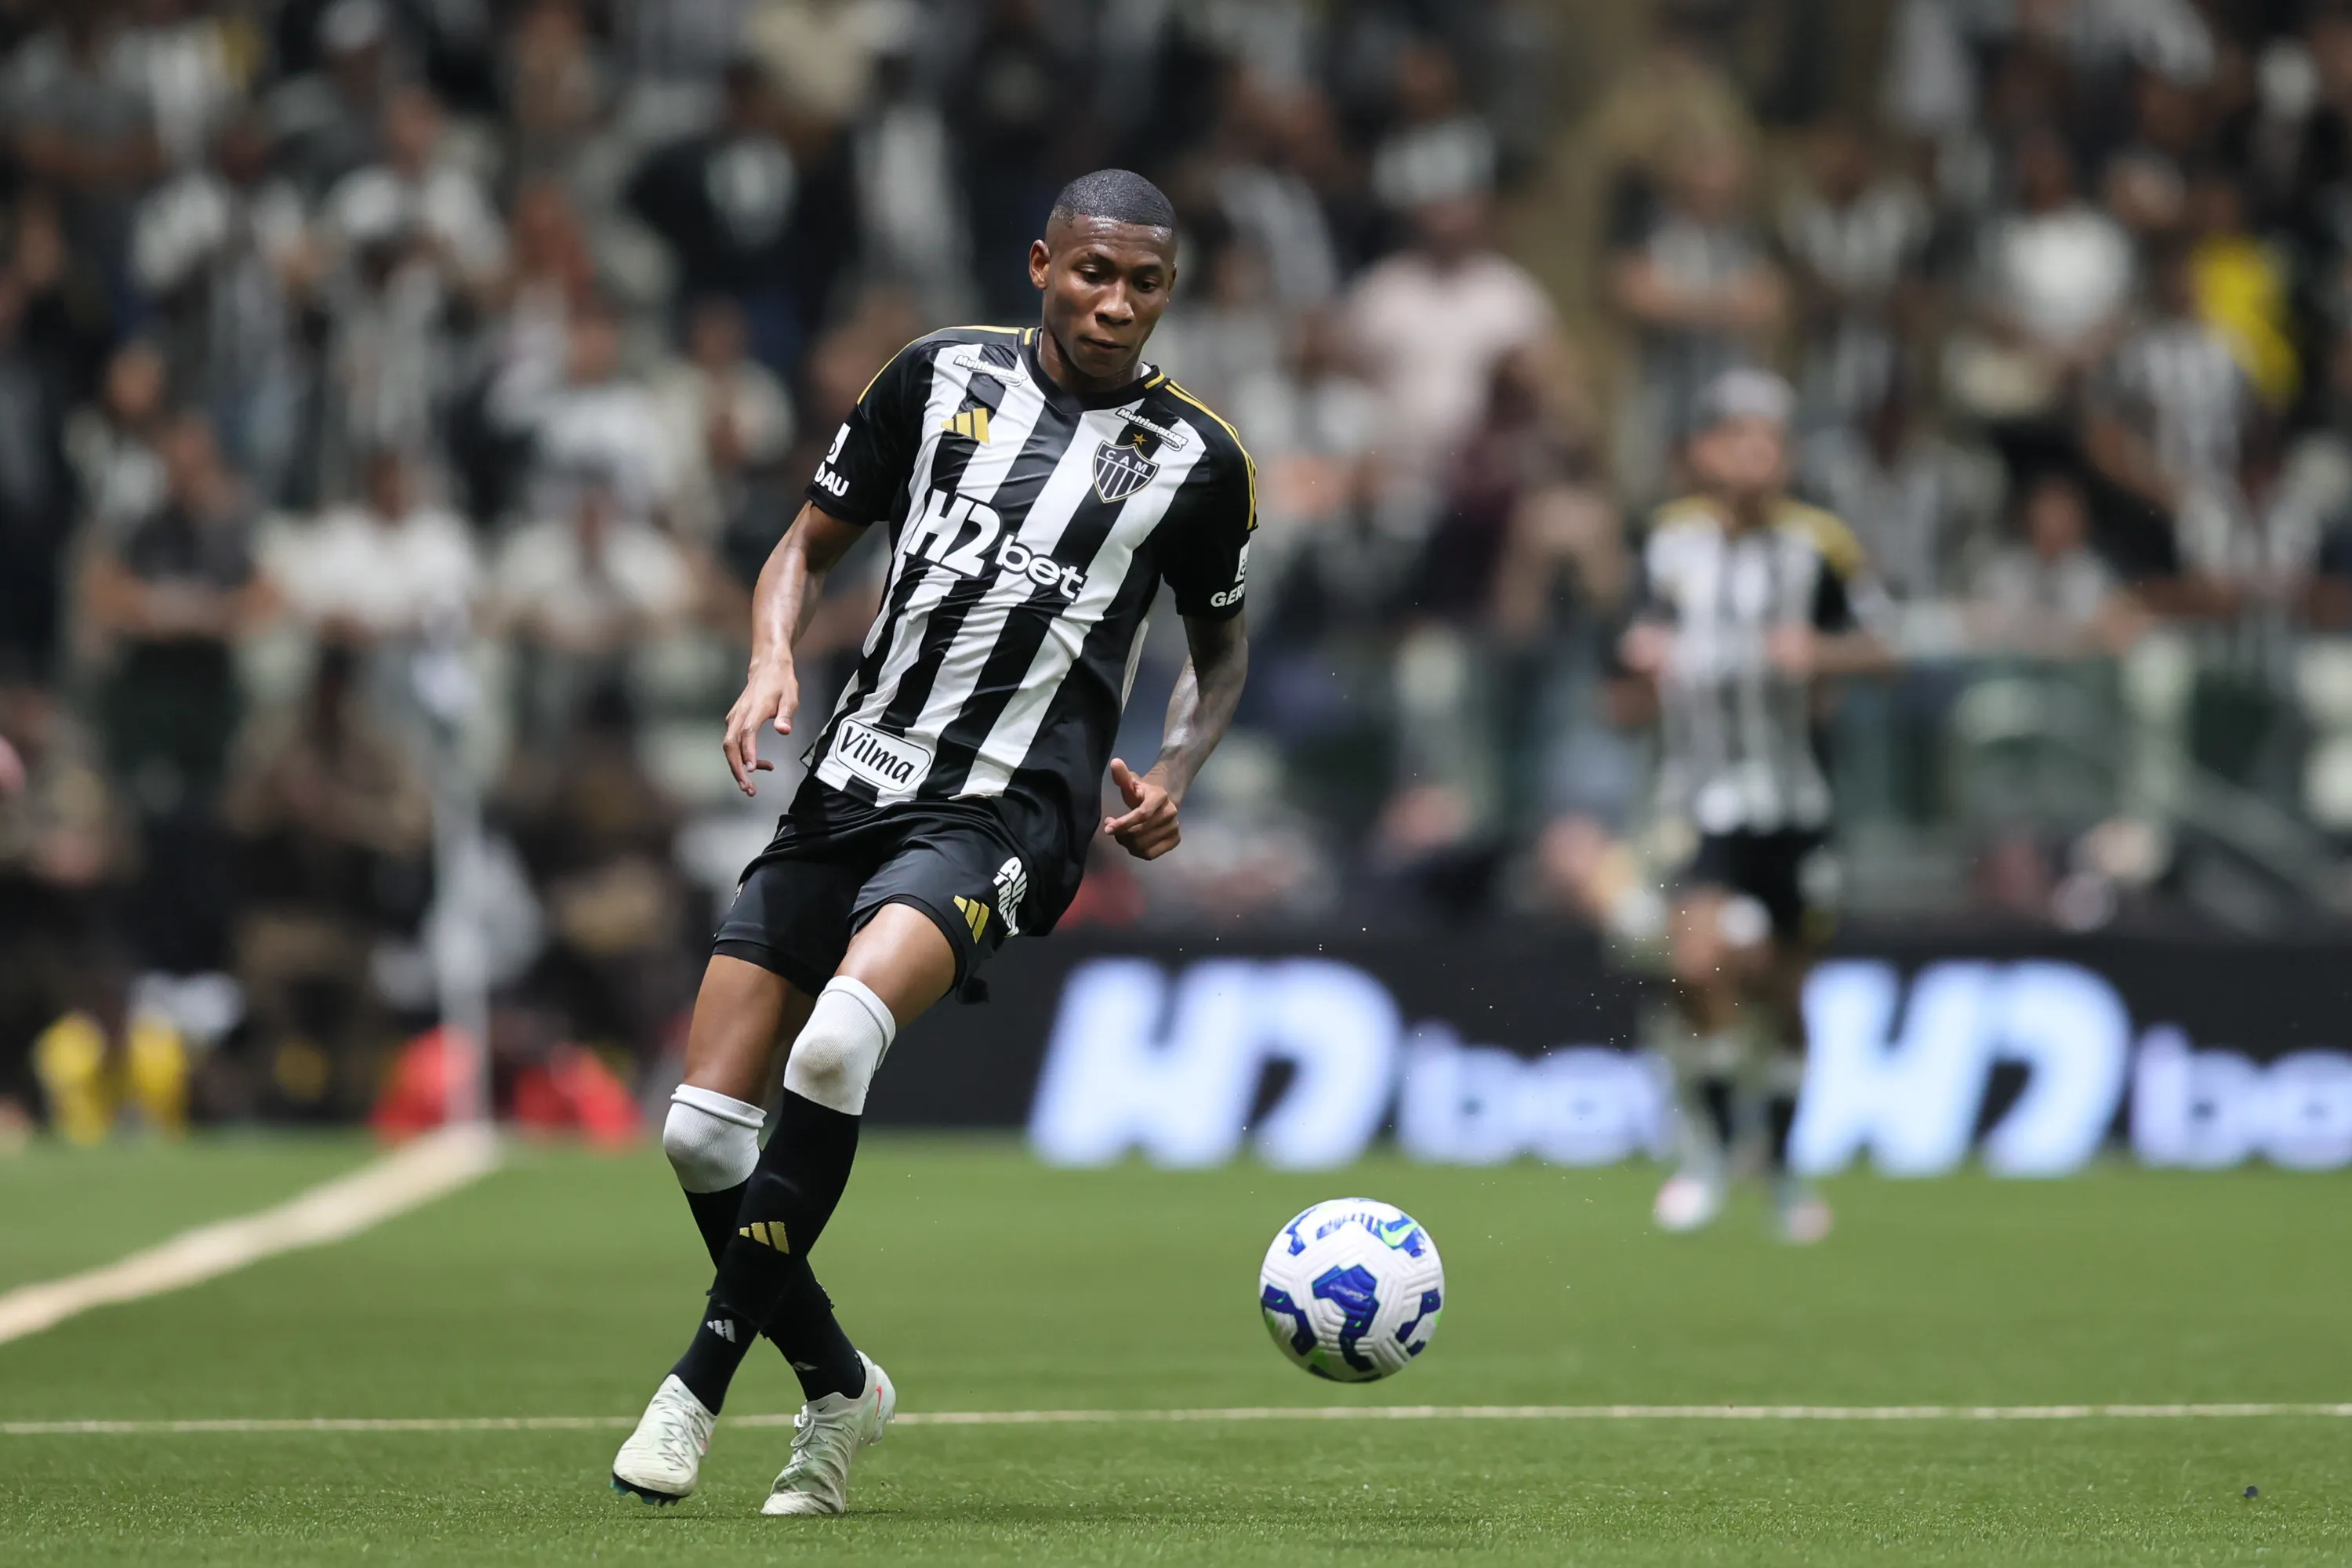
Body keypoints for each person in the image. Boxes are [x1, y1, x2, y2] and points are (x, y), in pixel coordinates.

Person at [608, 169, 1253, 1515]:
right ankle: (841, 1386)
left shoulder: (1199, 462)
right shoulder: (934, 377)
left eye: (1143, 281)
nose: (1115, 301)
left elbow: (1220, 652)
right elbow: (805, 544)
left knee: (838, 1042)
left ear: (1168, 291)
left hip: (1009, 808)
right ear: (1039, 264)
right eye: (1092, 272)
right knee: (700, 1136)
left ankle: (696, 1387)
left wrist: (1178, 766)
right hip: (854, 775)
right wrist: (769, 657)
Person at [1617, 370, 1892, 1245]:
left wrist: (1819, 653)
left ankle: (1776, 1164)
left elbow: (1886, 647)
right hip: (1698, 799)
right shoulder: (1671, 543)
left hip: (1796, 800)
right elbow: (1626, 649)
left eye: (1769, 440)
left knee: (1787, 993)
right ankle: (1703, 1152)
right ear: (1703, 453)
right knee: (1699, 967)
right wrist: (1641, 659)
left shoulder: (1820, 547)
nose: (1755, 455)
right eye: (1737, 437)